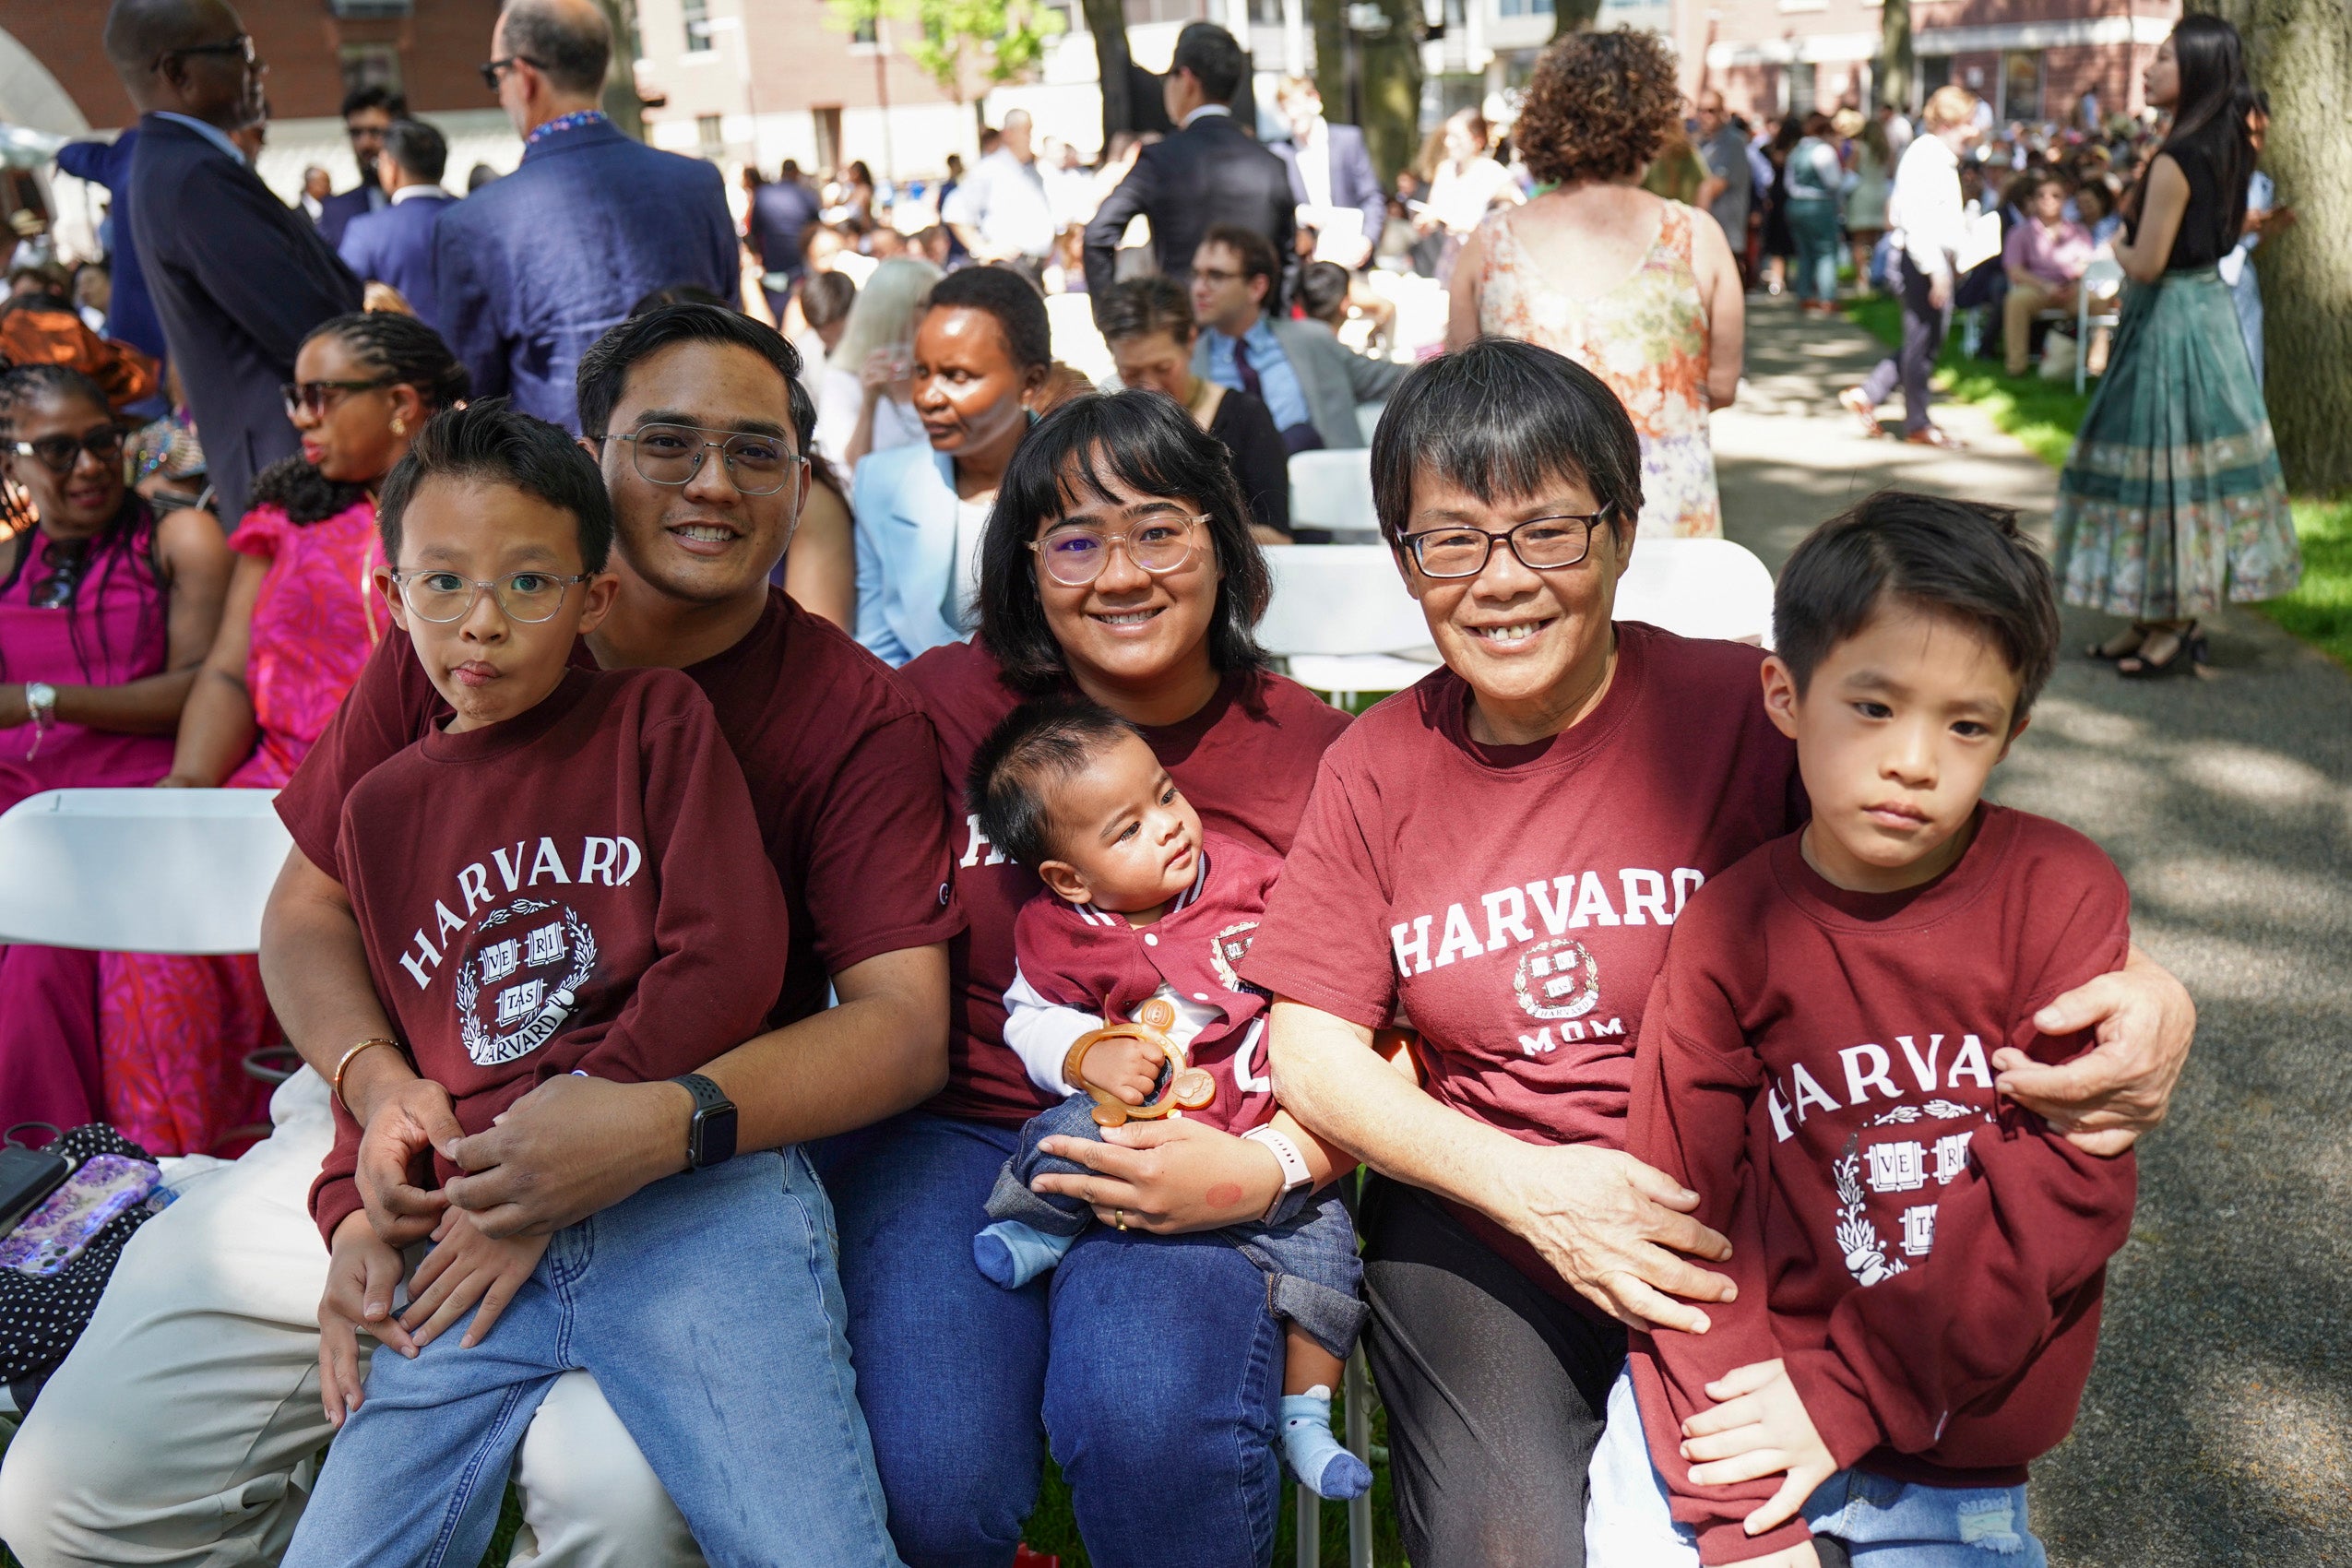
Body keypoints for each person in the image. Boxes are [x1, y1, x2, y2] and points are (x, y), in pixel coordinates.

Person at [0, 303, 963, 1568]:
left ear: (804, 478)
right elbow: (307, 906)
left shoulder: (849, 717)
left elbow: (899, 1030)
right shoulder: (471, 630)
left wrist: (643, 1122)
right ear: (592, 454)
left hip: (677, 1143)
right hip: (408, 1130)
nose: (714, 484)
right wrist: (373, 1091)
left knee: (610, 1504)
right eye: (666, 443)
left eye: (759, 452)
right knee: (73, 1497)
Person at [1242, 339, 2196, 1568]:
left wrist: (2149, 993)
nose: (1500, 580)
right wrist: (1530, 1188)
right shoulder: (1377, 768)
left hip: (1757, 1216)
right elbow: (1313, 1056)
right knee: (1503, 1551)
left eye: (1549, 532)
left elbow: (1956, 875)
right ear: (1403, 559)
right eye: (1450, 539)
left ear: (1625, 532)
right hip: (1492, 1221)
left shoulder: (1745, 715)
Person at [267, 399, 904, 1568]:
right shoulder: (381, 808)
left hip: (688, 1216)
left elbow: (727, 955)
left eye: (529, 584)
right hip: (470, 1235)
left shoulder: (654, 719)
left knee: (811, 1548)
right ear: (391, 597)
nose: (483, 623)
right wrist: (352, 1204)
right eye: (444, 583)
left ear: (591, 600)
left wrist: (564, 1140)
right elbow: (418, 1049)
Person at [840, 388, 1352, 1565]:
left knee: (1145, 1424)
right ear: (1027, 565)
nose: (1121, 572)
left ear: (1223, 534)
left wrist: (1267, 1166)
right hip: (966, 1128)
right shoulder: (933, 714)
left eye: (1159, 527)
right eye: (1076, 538)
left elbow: (1397, 1038)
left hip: (1202, 1134)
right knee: (930, 1484)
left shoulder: (1316, 756)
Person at [1588, 494, 2133, 1568]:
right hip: (1725, 1424)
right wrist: (1746, 1524)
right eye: (1875, 707)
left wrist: (1849, 1390)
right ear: (1784, 694)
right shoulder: (1728, 929)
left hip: (1949, 1452)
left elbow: (2065, 1193)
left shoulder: (2060, 895)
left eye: (1966, 723)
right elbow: (1685, 1221)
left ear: (2014, 731)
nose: (1916, 760)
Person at [961, 698, 1372, 1502]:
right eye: (1127, 830)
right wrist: (1086, 1053)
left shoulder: (1249, 879)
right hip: (1146, 1124)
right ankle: (1044, 1228)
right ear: (1069, 877)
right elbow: (1028, 1020)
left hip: (1262, 1127)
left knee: (1327, 1256)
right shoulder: (1058, 932)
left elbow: (1324, 963)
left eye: (1165, 794)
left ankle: (1305, 1416)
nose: (1168, 825)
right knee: (1068, 1134)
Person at [93, 315, 469, 1158]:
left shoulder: (481, 499)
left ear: (404, 402)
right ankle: (174, 1172)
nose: (299, 415)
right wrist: (189, 784)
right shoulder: (284, 513)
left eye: (319, 396)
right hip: (272, 784)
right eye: (293, 396)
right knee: (153, 943)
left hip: (430, 792)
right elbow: (230, 671)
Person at [0, 365, 232, 1135]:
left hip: (128, 806)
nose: (91, 466)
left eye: (103, 441)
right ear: (12, 462)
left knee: (39, 964)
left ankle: (43, 1174)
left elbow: (201, 684)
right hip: (19, 806)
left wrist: (43, 700)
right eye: (59, 451)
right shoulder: (6, 563)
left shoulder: (178, 536)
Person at [2051, 16, 2298, 680]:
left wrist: (2113, 247)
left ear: (2196, 71)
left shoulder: (2175, 157)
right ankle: (2155, 619)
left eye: (2162, 58)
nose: (2148, 69)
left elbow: (2149, 261)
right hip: (2205, 317)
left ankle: (2174, 626)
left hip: (2170, 323)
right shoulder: (2225, 144)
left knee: (2163, 468)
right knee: (2179, 470)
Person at [1449, 29, 1742, 539]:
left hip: (1539, 528)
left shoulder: (1490, 244)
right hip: (1668, 517)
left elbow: (1460, 392)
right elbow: (1720, 385)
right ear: (1655, 119)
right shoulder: (1696, 237)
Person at [105, 0, 363, 529]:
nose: (257, 68)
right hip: (290, 468)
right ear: (178, 71)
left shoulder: (182, 163)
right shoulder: (194, 177)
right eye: (239, 51)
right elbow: (315, 329)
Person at [435, 0, 740, 430]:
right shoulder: (698, 183)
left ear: (524, 77)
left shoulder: (474, 223)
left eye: (495, 76)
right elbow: (732, 332)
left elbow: (475, 390)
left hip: (559, 480)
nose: (499, 92)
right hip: (692, 462)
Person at [852, 265, 1051, 666]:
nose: (927, 396)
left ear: (1030, 382)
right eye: (921, 372)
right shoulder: (881, 483)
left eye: (957, 376)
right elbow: (879, 651)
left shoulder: (1089, 481)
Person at [1082, 23, 1295, 303]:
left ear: (1186, 79)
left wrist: (1110, 319)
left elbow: (1098, 234)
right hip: (1252, 330)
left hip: (1182, 331)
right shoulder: (1271, 164)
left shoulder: (1159, 159)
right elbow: (1287, 260)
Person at [1840, 87, 1980, 450]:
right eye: (1969, 122)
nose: (1974, 130)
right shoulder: (1928, 157)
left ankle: (1869, 394)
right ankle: (1917, 422)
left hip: (1928, 261)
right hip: (1921, 263)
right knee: (1923, 344)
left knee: (1924, 340)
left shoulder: (1936, 156)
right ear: (1951, 121)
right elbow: (1919, 222)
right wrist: (1936, 271)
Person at [1100, 276, 1289, 541]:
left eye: (1164, 369)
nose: (1149, 387)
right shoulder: (1106, 426)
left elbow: (1278, 536)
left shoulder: (1245, 416)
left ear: (1190, 341)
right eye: (1130, 373)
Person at [1192, 222, 1404, 455]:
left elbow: (1394, 379)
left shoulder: (1312, 341)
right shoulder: (1187, 365)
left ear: (1256, 287)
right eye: (1196, 275)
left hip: (1331, 482)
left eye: (1216, 275)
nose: (1199, 288)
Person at [54, 130, 169, 395]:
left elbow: (84, 157)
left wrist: (62, 156)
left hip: (140, 342)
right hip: (158, 338)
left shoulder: (133, 150)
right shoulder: (151, 149)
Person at [817, 255, 942, 472]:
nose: (940, 314)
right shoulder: (844, 378)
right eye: (928, 304)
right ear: (895, 312)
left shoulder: (939, 372)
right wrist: (869, 405)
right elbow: (848, 472)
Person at [336, 118, 457, 333]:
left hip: (405, 357)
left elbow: (343, 299)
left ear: (391, 167)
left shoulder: (366, 231)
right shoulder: (477, 218)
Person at [1272, 77, 1386, 270]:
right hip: (1309, 263)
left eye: (1295, 105)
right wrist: (1301, 215)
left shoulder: (1348, 141)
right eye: (1285, 108)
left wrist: (1367, 240)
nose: (1292, 114)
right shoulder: (1279, 153)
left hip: (1353, 256)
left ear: (1314, 100)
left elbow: (1371, 197)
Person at [945, 110, 1057, 283]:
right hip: (1011, 265)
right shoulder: (989, 169)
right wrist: (982, 248)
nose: (1031, 138)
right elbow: (955, 211)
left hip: (1036, 265)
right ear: (1009, 134)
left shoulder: (1032, 171)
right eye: (1026, 132)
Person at [2000, 172, 2093, 378]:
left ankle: (2095, 364)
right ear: (2033, 201)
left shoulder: (2078, 231)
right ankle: (2016, 366)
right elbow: (2015, 270)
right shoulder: (2019, 232)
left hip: (2071, 290)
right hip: (2036, 289)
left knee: (2099, 302)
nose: (2048, 200)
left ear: (2065, 200)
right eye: (2042, 196)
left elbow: (2087, 264)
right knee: (2015, 301)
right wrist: (2044, 285)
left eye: (2055, 196)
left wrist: (2072, 280)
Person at [1417, 108, 1522, 280]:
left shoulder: (1494, 174)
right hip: (1451, 263)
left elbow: (1514, 217)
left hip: (1485, 264)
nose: (1449, 143)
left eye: (1457, 137)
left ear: (1477, 140)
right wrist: (1428, 219)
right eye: (1447, 136)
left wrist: (1469, 226)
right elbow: (1434, 208)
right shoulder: (1446, 169)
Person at [313, 84, 403, 250]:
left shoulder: (434, 208)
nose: (364, 144)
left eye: (376, 132)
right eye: (356, 134)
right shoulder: (336, 212)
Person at [1783, 112, 1845, 315]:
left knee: (1804, 252)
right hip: (1819, 204)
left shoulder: (1796, 151)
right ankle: (1827, 297)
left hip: (1796, 204)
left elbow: (1788, 183)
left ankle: (1805, 294)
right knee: (1826, 252)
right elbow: (1834, 182)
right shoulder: (1824, 151)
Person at [749, 159, 824, 318]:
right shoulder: (805, 194)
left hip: (775, 264)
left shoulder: (763, 194)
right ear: (796, 173)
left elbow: (754, 231)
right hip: (799, 264)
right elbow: (816, 228)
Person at [1694, 91, 1754, 290]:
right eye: (1701, 110)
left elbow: (1712, 187)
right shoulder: (1699, 143)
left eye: (1711, 111)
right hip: (1704, 233)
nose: (1705, 116)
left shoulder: (1734, 142)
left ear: (1722, 113)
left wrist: (1693, 222)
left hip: (1726, 233)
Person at [1845, 115, 1894, 291]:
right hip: (1881, 195)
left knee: (1859, 240)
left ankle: (1862, 280)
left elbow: (1849, 173)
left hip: (1862, 195)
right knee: (1874, 241)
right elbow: (1890, 174)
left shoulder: (1859, 148)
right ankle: (1875, 275)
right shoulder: (1887, 151)